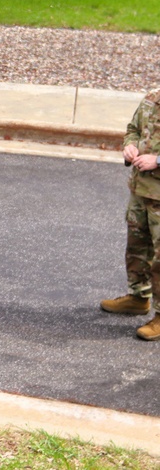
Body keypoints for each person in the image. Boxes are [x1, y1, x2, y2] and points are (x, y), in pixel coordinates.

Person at [100, 90, 160, 341]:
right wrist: (130, 146)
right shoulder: (151, 98)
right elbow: (133, 128)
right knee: (137, 247)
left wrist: (158, 160)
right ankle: (138, 297)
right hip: (140, 190)